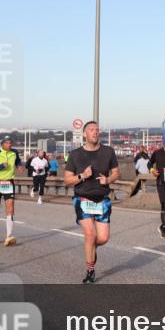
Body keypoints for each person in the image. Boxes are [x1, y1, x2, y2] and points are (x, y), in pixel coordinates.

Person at [65, 121, 120, 283]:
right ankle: (90, 270)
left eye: (97, 130)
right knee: (90, 234)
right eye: (91, 130)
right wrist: (82, 176)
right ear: (84, 134)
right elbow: (67, 180)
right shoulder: (75, 155)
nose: (95, 132)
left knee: (102, 238)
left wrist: (108, 179)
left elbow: (117, 172)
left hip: (102, 200)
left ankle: (91, 249)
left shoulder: (108, 152)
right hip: (82, 199)